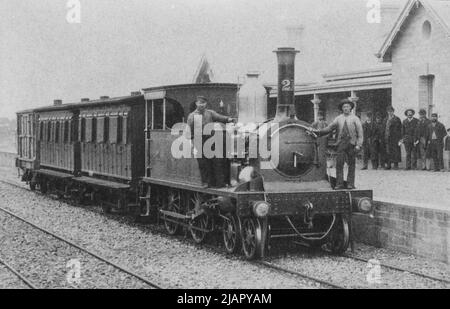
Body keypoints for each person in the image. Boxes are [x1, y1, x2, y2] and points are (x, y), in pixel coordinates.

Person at [311, 99, 363, 190]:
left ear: (350, 108)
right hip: (340, 144)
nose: (346, 108)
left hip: (352, 144)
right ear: (342, 109)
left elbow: (360, 134)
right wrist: (318, 132)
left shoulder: (355, 119)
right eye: (344, 107)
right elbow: (329, 128)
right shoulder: (338, 118)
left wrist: (358, 145)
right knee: (339, 165)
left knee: (351, 165)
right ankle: (339, 184)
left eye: (347, 106)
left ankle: (350, 184)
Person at [186, 96, 235, 188]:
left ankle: (219, 183)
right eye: (200, 103)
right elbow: (188, 131)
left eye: (203, 103)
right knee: (203, 164)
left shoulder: (210, 113)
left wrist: (229, 119)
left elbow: (220, 118)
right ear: (196, 104)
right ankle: (205, 182)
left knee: (217, 161)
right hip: (199, 141)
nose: (202, 105)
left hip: (211, 140)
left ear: (206, 104)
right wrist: (192, 145)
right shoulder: (192, 116)